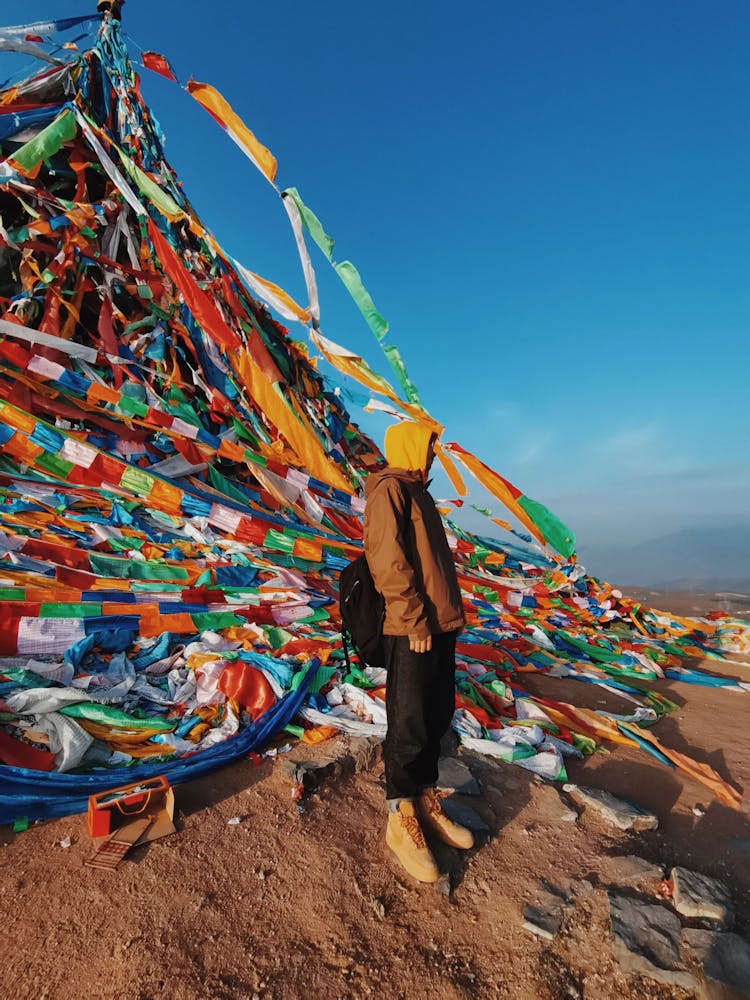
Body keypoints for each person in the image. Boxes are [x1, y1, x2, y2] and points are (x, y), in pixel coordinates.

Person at [363, 420, 474, 883]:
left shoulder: (419, 492)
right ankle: (399, 816)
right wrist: (412, 620)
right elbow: (387, 558)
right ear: (408, 446)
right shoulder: (390, 490)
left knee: (434, 714)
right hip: (414, 629)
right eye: (427, 447)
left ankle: (423, 797)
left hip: (439, 625)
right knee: (408, 720)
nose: (432, 455)